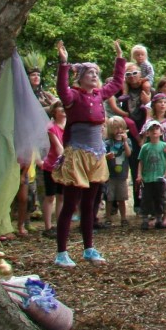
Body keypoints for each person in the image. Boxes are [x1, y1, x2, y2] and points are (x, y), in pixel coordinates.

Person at [52, 40, 127, 267]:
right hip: (77, 154)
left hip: (96, 154)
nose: (94, 76)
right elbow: (61, 90)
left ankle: (88, 248)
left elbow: (117, 82)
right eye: (89, 73)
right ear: (80, 77)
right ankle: (61, 252)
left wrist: (120, 59)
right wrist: (64, 63)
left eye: (96, 72)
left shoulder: (99, 95)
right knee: (70, 202)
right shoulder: (74, 96)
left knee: (90, 204)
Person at [136, 121, 166, 228]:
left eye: (157, 129)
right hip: (147, 178)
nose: (154, 131)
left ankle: (159, 218)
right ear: (147, 133)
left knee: (160, 198)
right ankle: (145, 219)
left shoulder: (164, 146)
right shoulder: (145, 147)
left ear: (161, 132)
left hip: (160, 177)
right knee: (146, 198)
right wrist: (139, 175)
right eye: (151, 130)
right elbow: (140, 161)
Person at [40, 102, 66, 235]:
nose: (63, 111)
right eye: (60, 109)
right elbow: (58, 147)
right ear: (54, 112)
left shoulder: (70, 126)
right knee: (50, 196)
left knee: (61, 196)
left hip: (65, 166)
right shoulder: (51, 128)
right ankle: (48, 227)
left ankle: (60, 225)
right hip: (52, 166)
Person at [101, 117, 132, 227]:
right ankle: (108, 217)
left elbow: (128, 154)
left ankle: (123, 218)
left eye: (120, 127)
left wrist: (125, 142)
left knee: (122, 198)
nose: (118, 130)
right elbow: (102, 157)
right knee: (109, 198)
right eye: (115, 128)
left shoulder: (127, 141)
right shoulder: (108, 143)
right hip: (110, 176)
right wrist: (107, 156)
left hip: (122, 176)